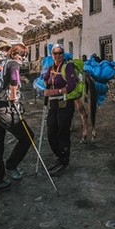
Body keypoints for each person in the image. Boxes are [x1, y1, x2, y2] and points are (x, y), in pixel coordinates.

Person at [0, 43, 33, 196]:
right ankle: (11, 166)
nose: (23, 58)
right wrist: (13, 98)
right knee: (27, 136)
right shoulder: (13, 64)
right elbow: (13, 81)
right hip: (3, 108)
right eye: (23, 54)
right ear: (16, 54)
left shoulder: (0, 63)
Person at [42, 44, 77, 176]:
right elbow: (45, 79)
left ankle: (64, 161)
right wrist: (44, 83)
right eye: (55, 53)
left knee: (63, 132)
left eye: (60, 53)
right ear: (52, 55)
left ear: (63, 54)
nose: (57, 56)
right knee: (51, 133)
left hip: (65, 103)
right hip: (53, 103)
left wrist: (55, 91)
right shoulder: (51, 68)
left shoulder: (67, 67)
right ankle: (60, 156)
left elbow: (72, 85)